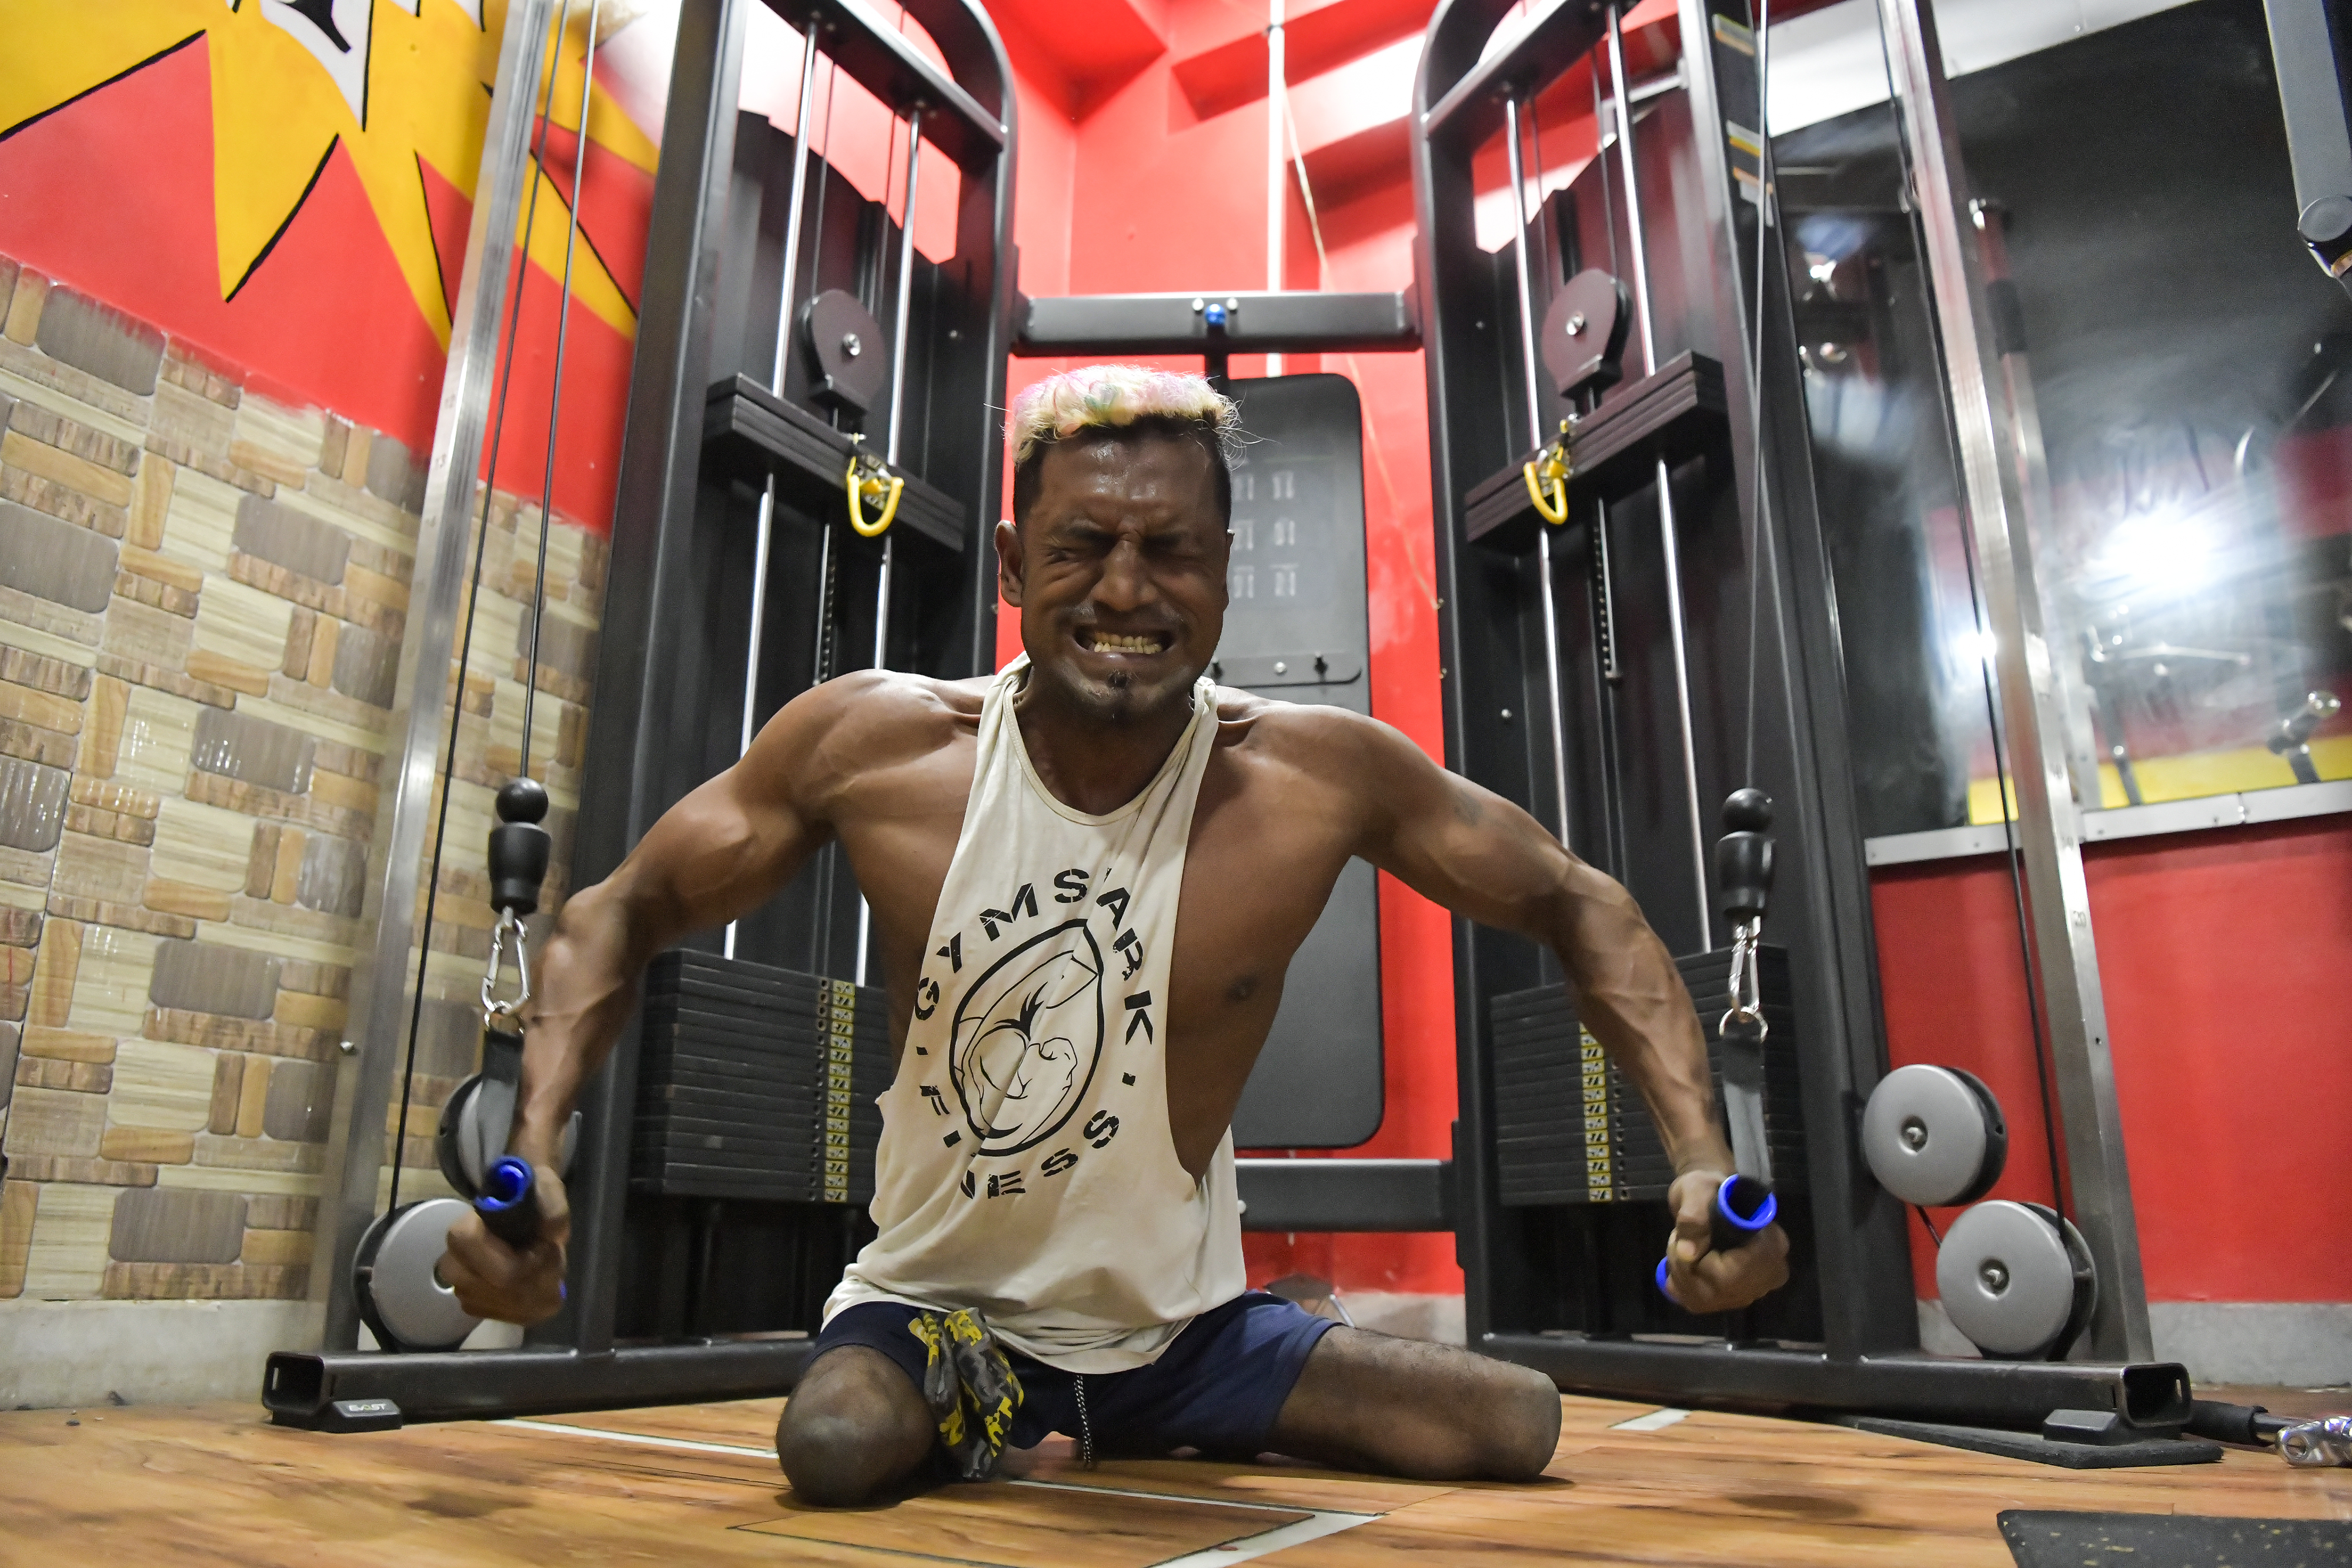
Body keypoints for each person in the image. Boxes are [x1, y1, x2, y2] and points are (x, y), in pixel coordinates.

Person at [440, 364, 1789, 1503]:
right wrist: (533, 1143)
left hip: (1183, 1333)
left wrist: (1701, 1159)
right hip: (931, 1310)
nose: (1126, 590)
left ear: (1220, 579)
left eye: (1172, 551)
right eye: (1083, 546)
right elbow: (625, 907)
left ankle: (1137, 1402)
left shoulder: (1320, 778)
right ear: (1018, 565)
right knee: (834, 1442)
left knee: (1512, 1425)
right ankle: (1009, 1399)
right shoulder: (878, 747)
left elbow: (1574, 897)